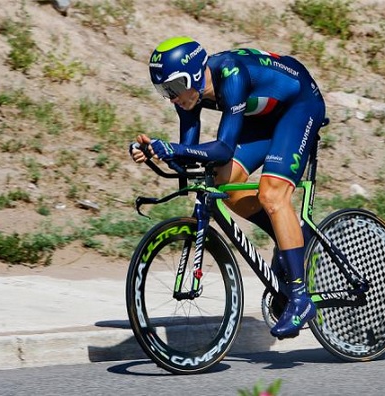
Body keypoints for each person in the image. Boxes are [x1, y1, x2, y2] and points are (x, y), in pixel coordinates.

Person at [130, 36, 326, 338]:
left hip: (299, 105)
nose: (172, 98)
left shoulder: (232, 75)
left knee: (272, 194)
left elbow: (222, 148)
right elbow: (188, 158)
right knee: (223, 184)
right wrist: (156, 151)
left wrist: (172, 148)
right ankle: (292, 239)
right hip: (264, 117)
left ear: (195, 73)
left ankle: (300, 299)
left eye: (174, 87)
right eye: (164, 91)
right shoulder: (188, 96)